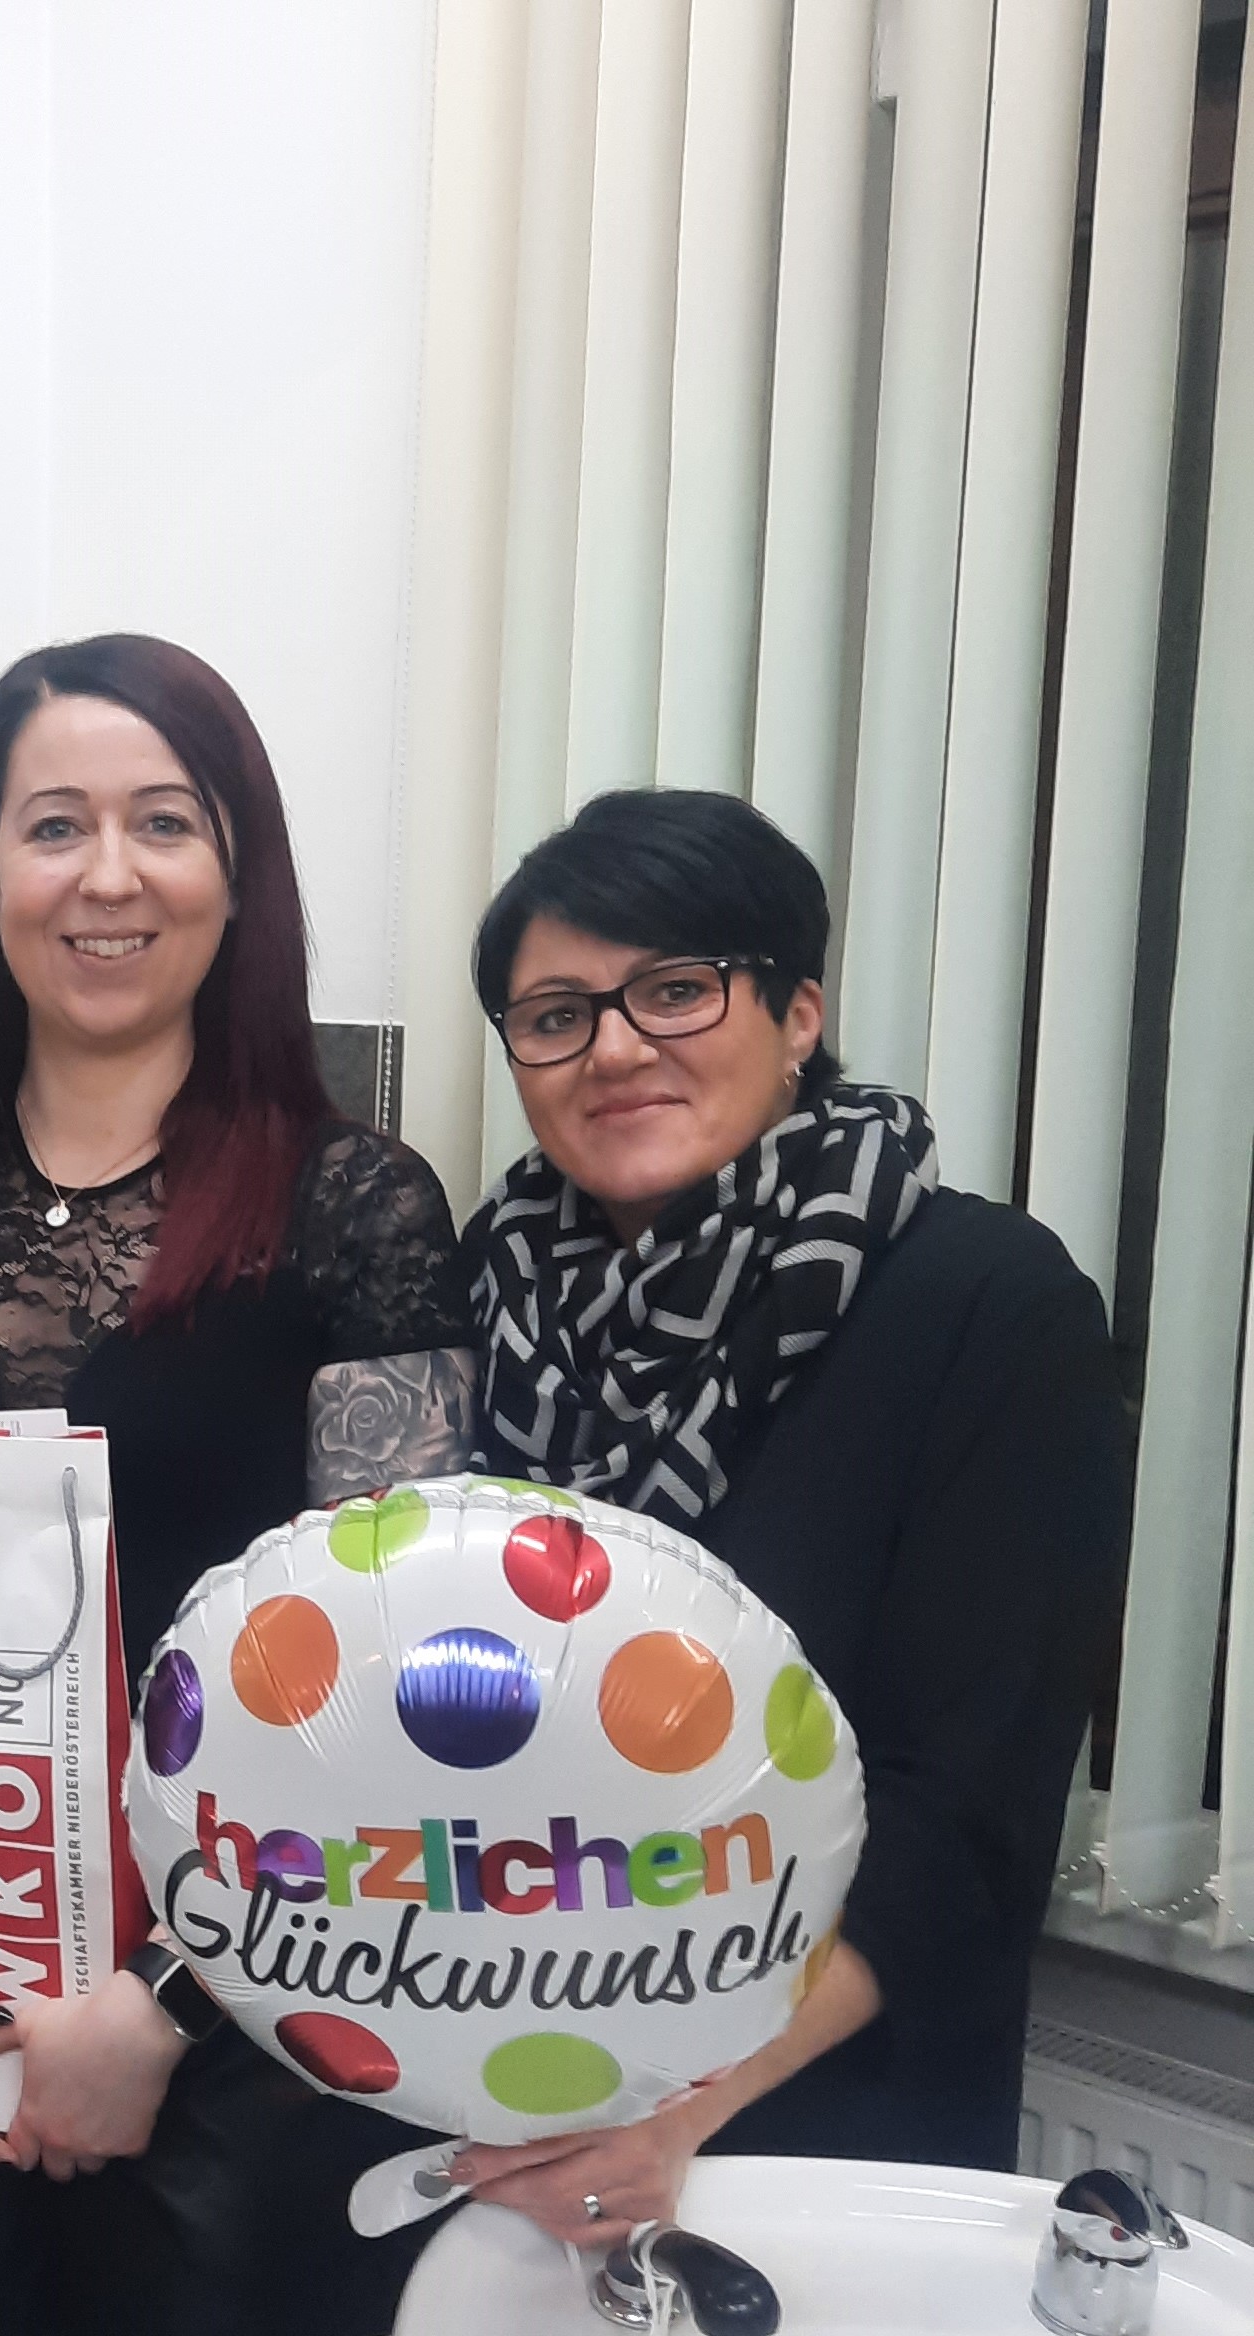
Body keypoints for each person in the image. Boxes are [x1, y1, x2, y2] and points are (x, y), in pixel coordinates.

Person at [0, 635, 478, 2336]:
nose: (109, 875)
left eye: (165, 821)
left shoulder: (359, 1210)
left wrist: (162, 2006)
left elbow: (403, 1685)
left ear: (238, 875)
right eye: (54, 825)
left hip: (254, 2010)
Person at [450, 788, 1130, 2246]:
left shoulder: (988, 1306)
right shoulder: (488, 1302)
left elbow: (971, 1808)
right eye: (556, 1016)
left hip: (816, 2125)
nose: (613, 1049)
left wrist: (678, 2104)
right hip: (502, 2079)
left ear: (799, 1013)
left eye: (675, 991)